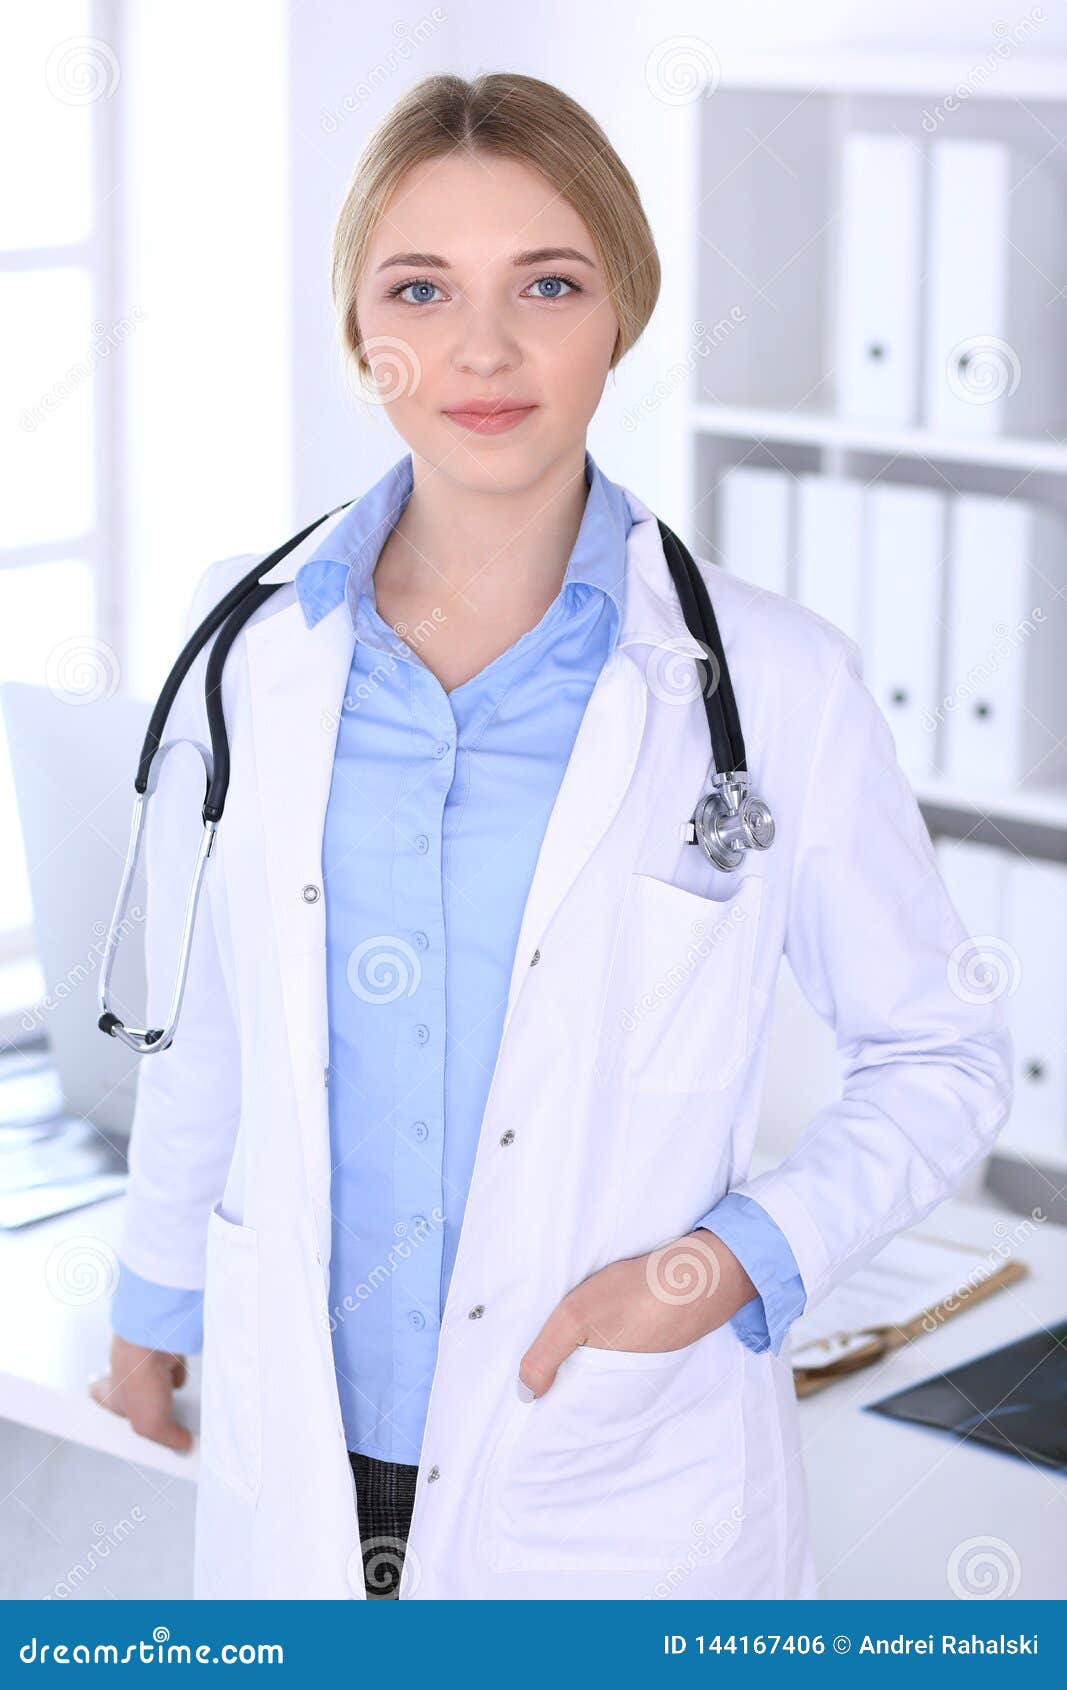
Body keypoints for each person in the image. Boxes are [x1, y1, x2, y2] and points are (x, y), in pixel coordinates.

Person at [89, 71, 1013, 1601]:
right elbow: (212, 1020)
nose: (483, 348)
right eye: (422, 288)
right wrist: (156, 1294)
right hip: (298, 1448)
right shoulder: (251, 647)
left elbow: (942, 1053)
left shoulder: (772, 682)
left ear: (623, 310)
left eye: (549, 283)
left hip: (607, 1472)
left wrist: (721, 1267)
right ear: (355, 329)